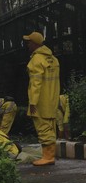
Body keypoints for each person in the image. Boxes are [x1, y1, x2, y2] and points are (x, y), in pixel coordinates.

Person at [23, 31, 60, 166]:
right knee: (50, 127)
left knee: (43, 128)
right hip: (52, 99)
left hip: (40, 102)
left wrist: (33, 102)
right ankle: (49, 155)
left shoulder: (36, 60)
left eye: (29, 42)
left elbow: (36, 83)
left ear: (34, 44)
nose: (27, 45)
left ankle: (48, 157)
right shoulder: (53, 59)